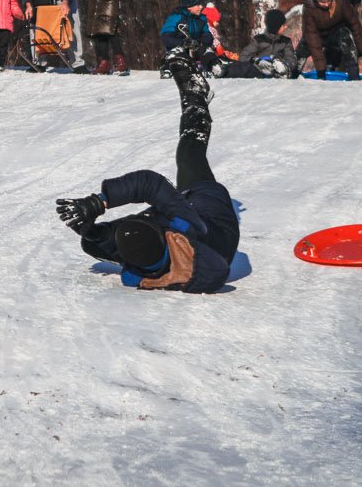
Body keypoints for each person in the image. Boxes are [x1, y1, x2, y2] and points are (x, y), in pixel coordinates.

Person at [55, 35, 239, 294]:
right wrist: (99, 201)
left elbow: (98, 245)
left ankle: (153, 213)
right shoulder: (191, 229)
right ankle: (195, 96)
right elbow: (149, 183)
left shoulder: (144, 262)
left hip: (178, 229)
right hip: (210, 204)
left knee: (126, 229)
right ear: (166, 235)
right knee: (189, 153)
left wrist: (90, 231)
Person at [300, 0, 362, 80]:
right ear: (316, 0)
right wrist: (321, 70)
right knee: (303, 47)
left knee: (345, 36)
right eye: (322, 2)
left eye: (328, 1)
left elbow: (354, 25)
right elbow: (312, 37)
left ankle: (353, 74)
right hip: (317, 35)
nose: (326, 4)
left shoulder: (341, 1)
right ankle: (292, 74)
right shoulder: (309, 8)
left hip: (336, 33)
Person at [160, 0, 216, 79]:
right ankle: (169, 68)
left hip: (196, 50)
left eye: (201, 4)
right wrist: (183, 42)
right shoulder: (176, 17)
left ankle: (212, 67)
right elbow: (165, 37)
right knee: (178, 52)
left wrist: (198, 42)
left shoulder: (202, 19)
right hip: (181, 49)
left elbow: (208, 36)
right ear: (189, 6)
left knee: (208, 52)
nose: (201, 7)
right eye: (198, 5)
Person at [231, 9, 297, 78]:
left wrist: (283, 65)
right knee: (241, 67)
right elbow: (243, 56)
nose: (285, 27)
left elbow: (291, 60)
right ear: (276, 26)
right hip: (260, 73)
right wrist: (257, 61)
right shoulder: (259, 40)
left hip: (278, 73)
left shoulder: (285, 42)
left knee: (295, 72)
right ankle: (224, 71)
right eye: (283, 25)